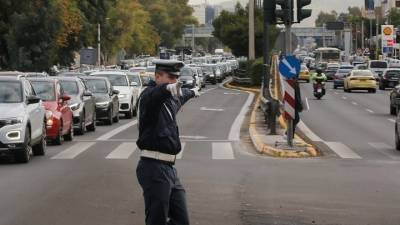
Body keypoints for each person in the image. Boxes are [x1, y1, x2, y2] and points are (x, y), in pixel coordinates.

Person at [136, 59, 200, 225]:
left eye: (176, 78)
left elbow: (181, 96)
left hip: (169, 168)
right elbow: (156, 95)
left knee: (181, 220)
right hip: (153, 167)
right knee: (156, 220)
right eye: (170, 77)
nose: (174, 81)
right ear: (157, 76)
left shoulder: (171, 99)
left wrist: (192, 92)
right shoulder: (149, 97)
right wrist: (166, 88)